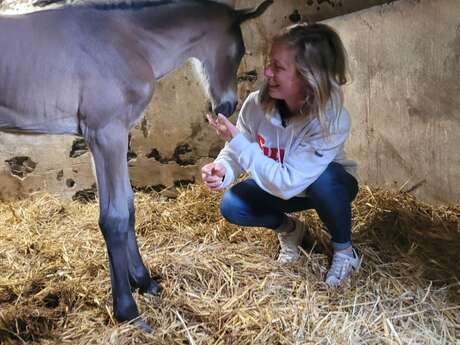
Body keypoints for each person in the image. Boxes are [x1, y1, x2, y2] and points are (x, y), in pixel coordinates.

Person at [201, 23, 360, 288]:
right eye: (268, 63)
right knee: (232, 204)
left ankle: (345, 251)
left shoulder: (332, 119)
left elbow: (288, 184)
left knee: (325, 179)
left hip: (325, 188)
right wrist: (223, 169)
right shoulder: (255, 104)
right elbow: (238, 150)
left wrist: (238, 143)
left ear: (307, 76)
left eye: (278, 66)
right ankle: (291, 231)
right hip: (278, 185)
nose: (267, 72)